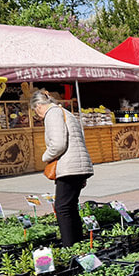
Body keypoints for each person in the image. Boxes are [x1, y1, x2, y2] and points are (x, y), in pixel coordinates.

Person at [34, 91, 93, 247]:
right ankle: (78, 244)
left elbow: (59, 144)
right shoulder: (65, 112)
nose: (38, 115)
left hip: (69, 166)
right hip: (77, 165)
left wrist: (45, 157)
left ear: (39, 106)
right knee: (70, 206)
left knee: (62, 208)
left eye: (36, 111)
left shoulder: (52, 114)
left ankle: (69, 246)